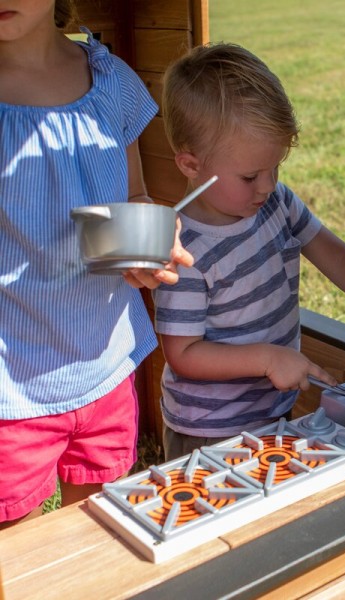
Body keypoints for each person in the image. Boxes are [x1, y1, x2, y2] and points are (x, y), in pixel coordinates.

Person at [153, 42, 345, 460]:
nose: (268, 185)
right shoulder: (182, 249)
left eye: (276, 168)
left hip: (272, 411)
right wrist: (269, 359)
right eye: (251, 174)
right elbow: (184, 354)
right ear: (190, 165)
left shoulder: (275, 203)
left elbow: (332, 253)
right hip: (209, 432)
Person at [0, 0, 193, 528]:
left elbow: (135, 196)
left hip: (105, 365)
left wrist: (153, 237)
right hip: (11, 387)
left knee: (101, 535)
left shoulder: (110, 78)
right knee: (16, 559)